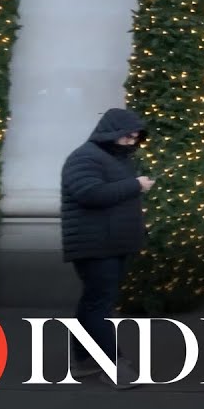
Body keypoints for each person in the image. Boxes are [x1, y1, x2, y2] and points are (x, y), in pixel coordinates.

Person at [60, 107, 152, 389]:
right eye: (127, 136)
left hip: (109, 243)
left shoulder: (111, 158)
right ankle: (115, 366)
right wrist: (134, 185)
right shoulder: (85, 157)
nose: (131, 142)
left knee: (93, 303)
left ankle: (84, 361)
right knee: (99, 306)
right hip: (96, 245)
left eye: (135, 137)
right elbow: (89, 193)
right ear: (111, 132)